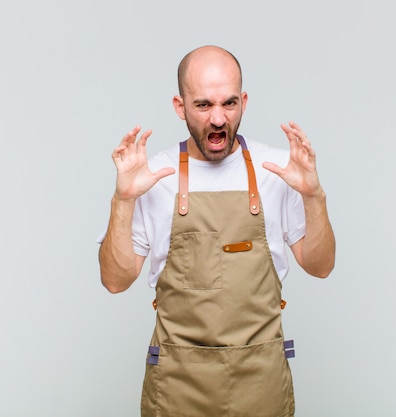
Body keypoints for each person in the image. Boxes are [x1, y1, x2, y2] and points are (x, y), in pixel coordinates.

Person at [98, 45, 335, 417]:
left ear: (243, 101)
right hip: (178, 387)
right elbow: (115, 280)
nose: (219, 118)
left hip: (262, 383)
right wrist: (123, 200)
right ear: (180, 107)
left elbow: (321, 266)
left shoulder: (277, 169)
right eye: (204, 105)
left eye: (228, 103)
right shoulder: (154, 178)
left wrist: (313, 194)